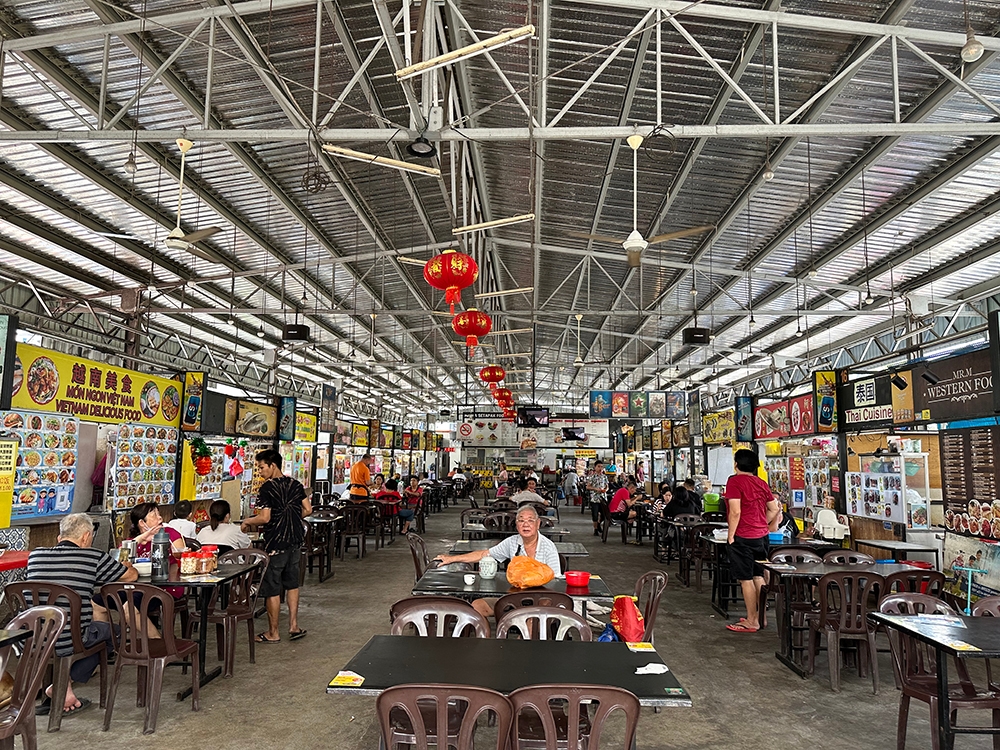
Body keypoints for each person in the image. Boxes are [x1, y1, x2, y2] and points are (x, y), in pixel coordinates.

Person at [27, 513, 137, 716]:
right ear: (86, 537)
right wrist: (127, 566)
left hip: (33, 637)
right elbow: (130, 576)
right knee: (115, 634)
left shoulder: (35, 555)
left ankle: (60, 687)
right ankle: (63, 685)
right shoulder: (92, 556)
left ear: (60, 538)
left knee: (85, 631)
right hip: (71, 638)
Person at [433, 505, 561, 619]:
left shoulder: (548, 547)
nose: (525, 524)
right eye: (521, 520)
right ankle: (486, 641)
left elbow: (556, 582)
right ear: (516, 525)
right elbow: (484, 554)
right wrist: (451, 558)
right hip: (513, 598)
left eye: (530, 520)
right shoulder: (512, 542)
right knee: (477, 606)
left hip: (540, 600)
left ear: (538, 524)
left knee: (532, 617)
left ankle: (519, 644)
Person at [241, 449, 312, 643]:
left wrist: (247, 521)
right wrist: (292, 519)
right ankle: (294, 625)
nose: (260, 471)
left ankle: (273, 632)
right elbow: (308, 509)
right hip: (296, 541)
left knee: (272, 587)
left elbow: (265, 517)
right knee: (292, 584)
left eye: (262, 467)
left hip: (276, 543)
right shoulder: (296, 484)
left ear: (273, 465)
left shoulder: (267, 488)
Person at [723, 449, 780, 634]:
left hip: (743, 537)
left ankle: (751, 620)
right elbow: (773, 509)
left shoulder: (734, 481)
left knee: (745, 579)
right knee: (758, 576)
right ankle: (761, 617)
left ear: (736, 464)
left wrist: (731, 535)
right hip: (761, 537)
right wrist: (762, 522)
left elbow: (735, 511)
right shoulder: (761, 483)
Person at [587, 461, 609, 536]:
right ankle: (595, 529)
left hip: (603, 498)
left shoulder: (604, 477)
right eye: (598, 466)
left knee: (604, 514)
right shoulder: (592, 477)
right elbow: (588, 486)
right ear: (595, 467)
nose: (600, 468)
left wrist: (606, 489)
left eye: (601, 467)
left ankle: (599, 524)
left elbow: (607, 486)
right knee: (595, 515)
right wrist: (596, 489)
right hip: (594, 498)